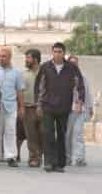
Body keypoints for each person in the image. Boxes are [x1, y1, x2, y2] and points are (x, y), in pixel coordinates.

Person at [35, 42, 85, 173]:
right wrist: (38, 105)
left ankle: (59, 164)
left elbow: (80, 84)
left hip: (64, 107)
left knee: (62, 135)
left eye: (59, 52)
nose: (57, 54)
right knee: (48, 134)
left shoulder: (71, 67)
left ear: (64, 53)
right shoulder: (45, 67)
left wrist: (80, 101)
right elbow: (38, 86)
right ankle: (49, 162)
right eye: (55, 51)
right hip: (48, 106)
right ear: (52, 52)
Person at [0, 46, 24, 168]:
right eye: (0, 56)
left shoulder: (16, 73)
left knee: (10, 132)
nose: (1, 58)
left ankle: (11, 157)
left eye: (4, 56)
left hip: (11, 106)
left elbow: (19, 91)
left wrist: (21, 107)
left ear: (10, 57)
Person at [66, 55, 93, 166]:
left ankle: (79, 158)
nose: (74, 65)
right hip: (67, 110)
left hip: (80, 109)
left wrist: (90, 107)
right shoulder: (65, 76)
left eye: (75, 63)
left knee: (78, 133)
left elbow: (88, 93)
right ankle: (67, 157)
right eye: (71, 63)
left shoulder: (83, 77)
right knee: (67, 134)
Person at [20, 49, 43, 167]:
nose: (26, 60)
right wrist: (21, 107)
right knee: (31, 135)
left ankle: (40, 155)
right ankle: (34, 158)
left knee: (43, 134)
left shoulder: (44, 73)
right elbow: (20, 92)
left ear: (35, 59)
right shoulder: (23, 74)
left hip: (42, 109)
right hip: (28, 108)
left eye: (28, 58)